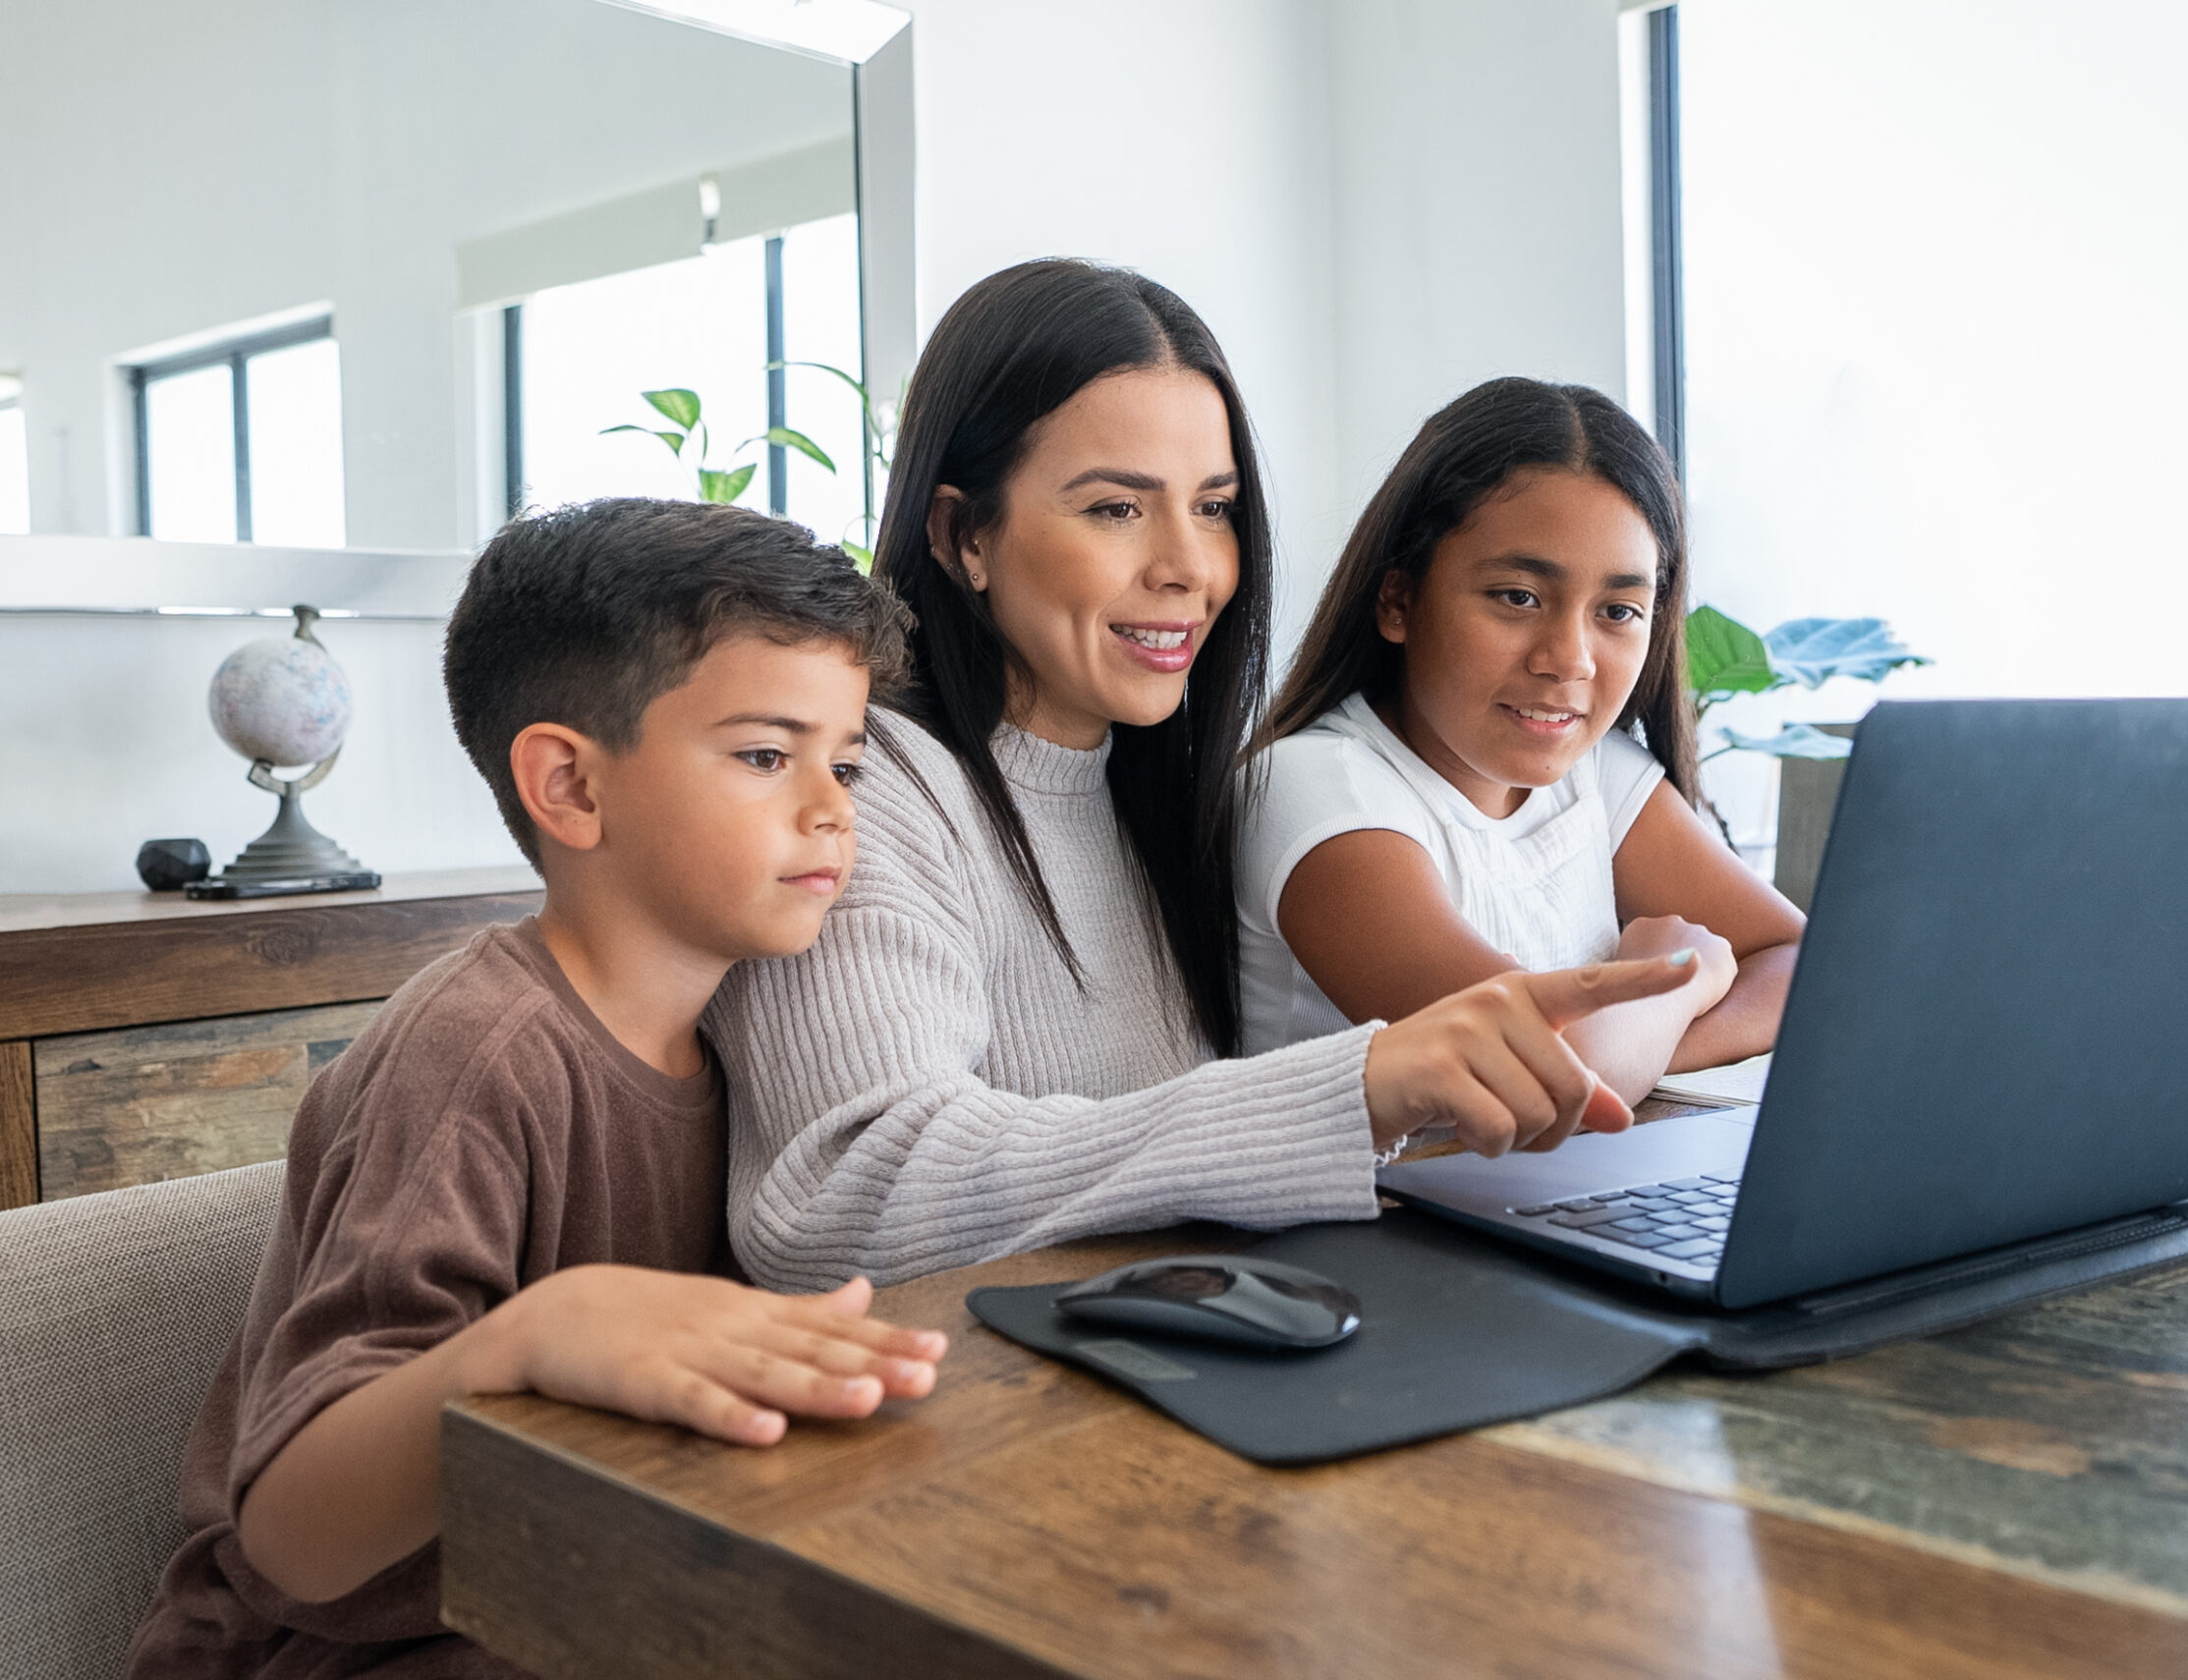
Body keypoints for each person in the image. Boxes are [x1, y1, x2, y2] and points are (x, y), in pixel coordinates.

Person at [713, 261, 1697, 1291]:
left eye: (1216, 507)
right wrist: (1344, 1093)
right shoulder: (866, 784)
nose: (1191, 567)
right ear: (965, 535)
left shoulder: (1156, 793)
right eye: (1115, 510)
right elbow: (843, 1200)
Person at [127, 500, 950, 1679]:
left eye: (847, 761)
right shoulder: (476, 1055)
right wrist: (531, 1338)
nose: (833, 808)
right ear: (568, 785)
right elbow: (293, 1536)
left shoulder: (753, 1035)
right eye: (768, 756)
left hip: (590, 1610)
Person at [1241, 377, 1805, 1101]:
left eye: (1618, 611)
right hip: (1373, 1214)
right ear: (1398, 599)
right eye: (1519, 598)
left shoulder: (1595, 772)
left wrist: (1634, 1048)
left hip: (1539, 1196)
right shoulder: (1314, 788)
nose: (1568, 659)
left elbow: (1799, 960)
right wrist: (1679, 973)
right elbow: (1543, 1076)